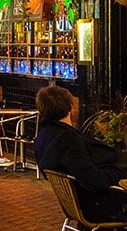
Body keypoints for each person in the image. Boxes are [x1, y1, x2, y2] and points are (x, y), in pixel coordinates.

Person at [34, 86, 127, 222]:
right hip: (99, 205)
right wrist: (119, 175)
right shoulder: (67, 140)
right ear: (71, 108)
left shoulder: (43, 136)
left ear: (40, 111)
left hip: (80, 202)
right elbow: (92, 181)